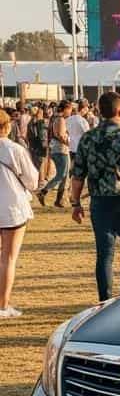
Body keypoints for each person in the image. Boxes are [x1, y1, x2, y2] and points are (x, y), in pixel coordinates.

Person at [69, 92, 120, 302]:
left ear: (99, 111)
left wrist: (75, 203)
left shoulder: (88, 138)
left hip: (100, 203)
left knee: (104, 255)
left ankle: (105, 301)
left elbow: (78, 175)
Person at [0, 108, 38, 319]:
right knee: (7, 258)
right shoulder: (14, 149)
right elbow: (31, 180)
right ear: (7, 126)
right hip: (12, 208)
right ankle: (2, 305)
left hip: (10, 207)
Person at [38, 99, 72, 207]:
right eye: (70, 110)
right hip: (61, 149)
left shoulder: (54, 117)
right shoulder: (61, 119)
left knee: (64, 175)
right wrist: (69, 142)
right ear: (66, 109)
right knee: (61, 175)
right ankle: (43, 192)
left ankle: (59, 200)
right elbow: (60, 135)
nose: (70, 112)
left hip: (56, 148)